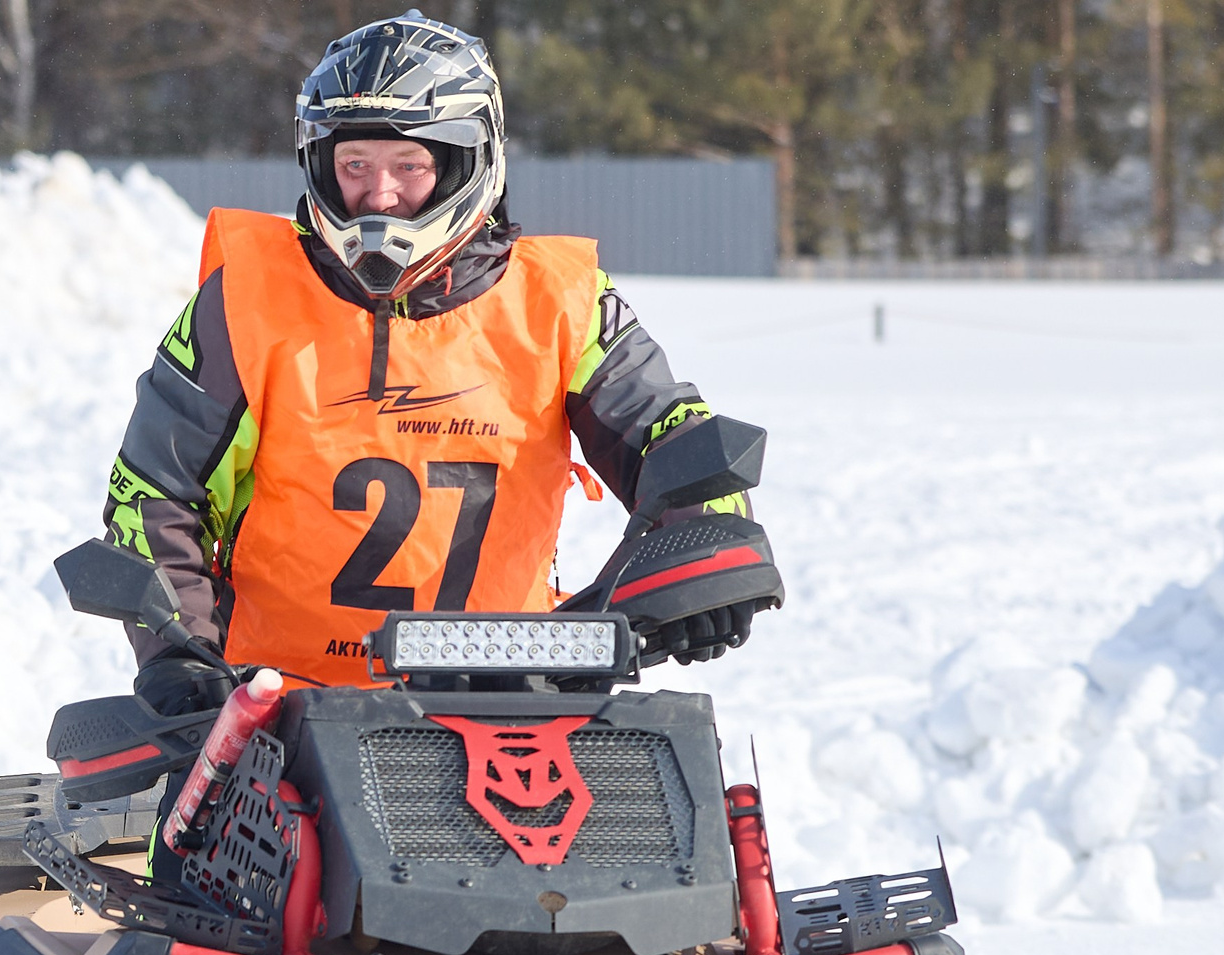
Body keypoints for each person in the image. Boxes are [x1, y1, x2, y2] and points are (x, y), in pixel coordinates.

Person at [99, 12, 774, 715]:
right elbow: (153, 495)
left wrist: (706, 544)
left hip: (513, 704)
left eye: (409, 166)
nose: (380, 195)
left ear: (469, 161)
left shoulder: (563, 305)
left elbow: (674, 435)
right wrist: (178, 654)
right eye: (354, 165)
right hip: (272, 720)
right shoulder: (241, 301)